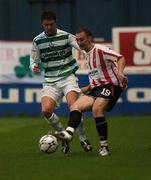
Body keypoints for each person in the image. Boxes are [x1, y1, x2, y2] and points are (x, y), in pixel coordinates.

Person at [54, 28, 128, 156]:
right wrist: (86, 88)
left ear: (89, 38)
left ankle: (104, 147)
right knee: (75, 106)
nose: (79, 42)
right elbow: (96, 76)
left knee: (96, 109)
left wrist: (120, 73)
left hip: (110, 86)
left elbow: (121, 58)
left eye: (81, 39)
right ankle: (67, 135)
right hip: (96, 89)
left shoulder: (100, 49)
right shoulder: (87, 54)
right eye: (77, 40)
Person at [29, 12, 92, 154]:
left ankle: (83, 138)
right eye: (46, 24)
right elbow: (33, 60)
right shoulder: (37, 41)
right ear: (42, 24)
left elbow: (83, 49)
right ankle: (64, 135)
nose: (49, 27)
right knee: (46, 111)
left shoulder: (66, 36)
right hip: (50, 80)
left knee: (74, 106)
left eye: (52, 24)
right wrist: (34, 67)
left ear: (56, 22)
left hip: (68, 77)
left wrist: (93, 56)